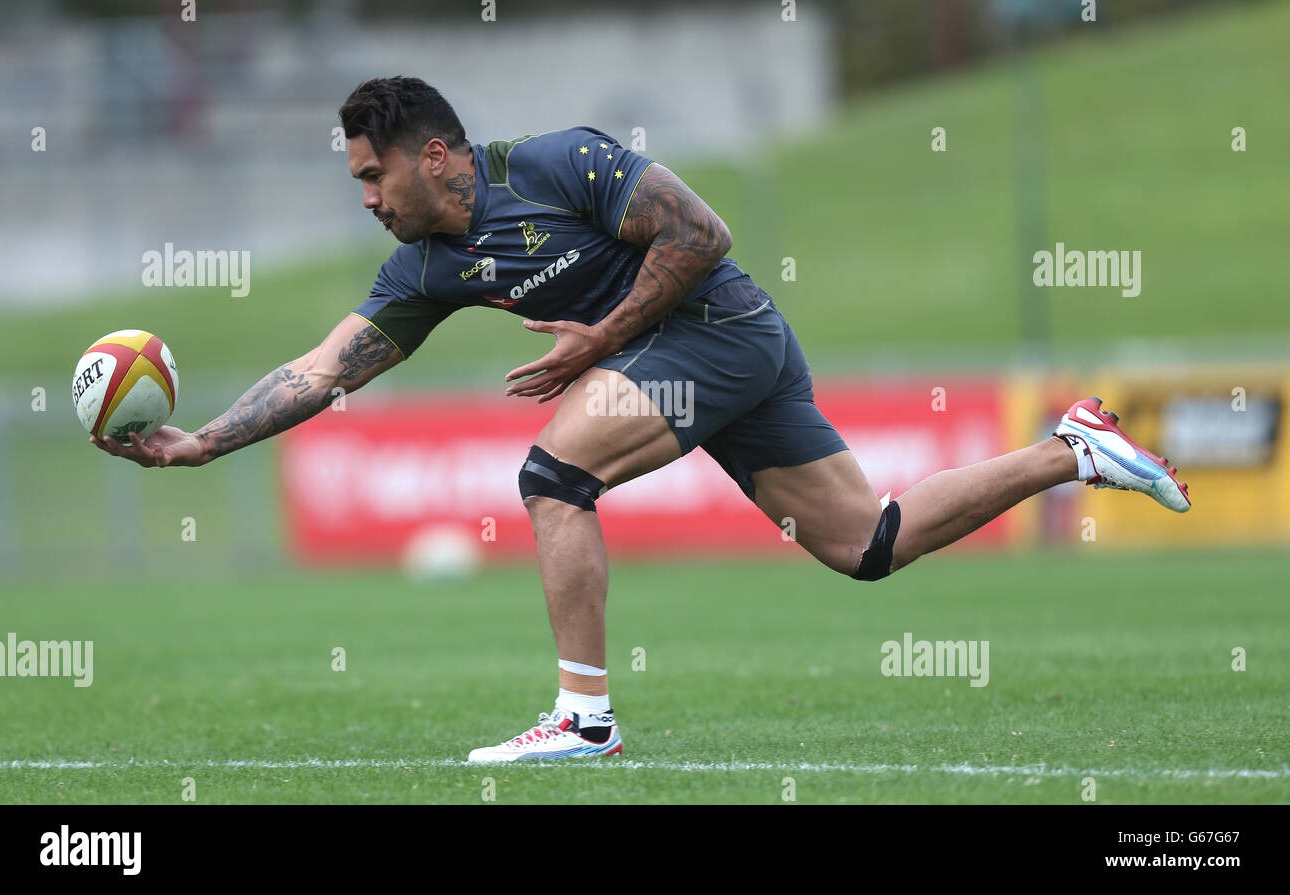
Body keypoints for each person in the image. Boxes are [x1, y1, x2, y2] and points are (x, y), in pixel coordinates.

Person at [93, 77, 1190, 763]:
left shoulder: (557, 160)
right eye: (356, 182)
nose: (368, 196)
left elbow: (700, 232)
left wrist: (600, 337)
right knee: (870, 545)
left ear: (435, 155)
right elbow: (325, 366)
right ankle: (1072, 445)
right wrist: (201, 444)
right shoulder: (425, 265)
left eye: (375, 174)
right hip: (710, 355)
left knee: (550, 476)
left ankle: (582, 719)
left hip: (720, 327)